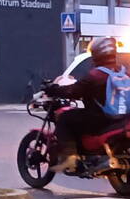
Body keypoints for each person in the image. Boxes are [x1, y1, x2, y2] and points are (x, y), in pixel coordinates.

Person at [45, 36, 120, 172]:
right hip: (120, 116)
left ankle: (70, 159)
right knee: (78, 117)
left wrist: (53, 89)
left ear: (97, 54)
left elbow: (73, 91)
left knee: (65, 118)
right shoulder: (121, 72)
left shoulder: (96, 75)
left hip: (99, 117)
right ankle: (89, 154)